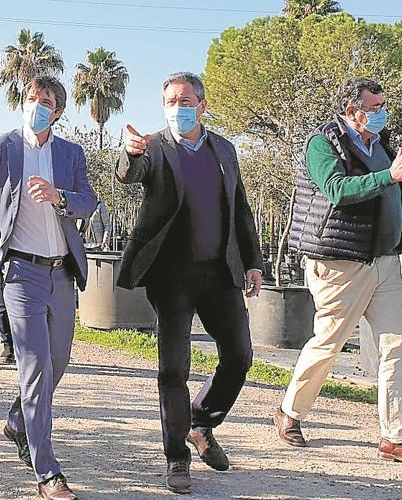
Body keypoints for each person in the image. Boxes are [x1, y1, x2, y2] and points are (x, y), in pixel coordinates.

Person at [274, 77, 402, 468]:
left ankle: (396, 437)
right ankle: (290, 412)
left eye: (383, 104)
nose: (382, 112)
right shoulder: (323, 142)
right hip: (340, 262)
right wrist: (390, 175)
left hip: (384, 260)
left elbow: (398, 191)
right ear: (352, 111)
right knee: (329, 342)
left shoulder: (380, 143)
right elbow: (337, 189)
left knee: (397, 344)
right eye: (375, 106)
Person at [116, 72, 265, 494]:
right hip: (172, 275)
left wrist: (253, 262)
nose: (177, 108)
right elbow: (132, 172)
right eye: (169, 102)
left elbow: (241, 209)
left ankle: (201, 423)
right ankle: (177, 457)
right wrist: (129, 153)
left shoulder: (224, 149)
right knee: (172, 370)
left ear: (202, 104)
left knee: (239, 357)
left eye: (184, 101)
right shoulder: (157, 148)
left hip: (220, 273)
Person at [0, 76, 97, 500]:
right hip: (20, 274)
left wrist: (59, 196)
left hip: (62, 274)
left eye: (47, 101)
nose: (38, 106)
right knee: (37, 367)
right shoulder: (0, 148)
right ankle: (47, 471)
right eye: (32, 99)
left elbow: (87, 201)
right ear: (22, 103)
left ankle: (17, 420)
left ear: (58, 111)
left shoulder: (70, 153)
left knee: (57, 363)